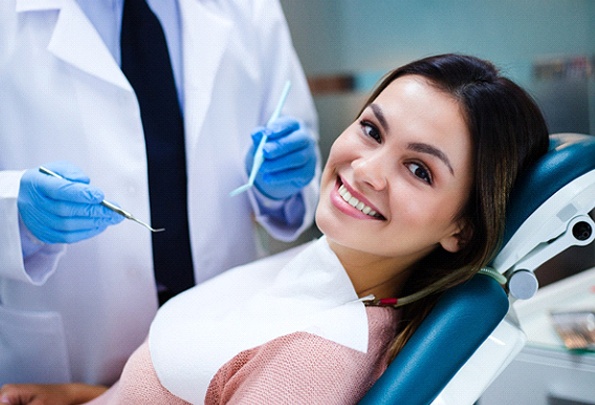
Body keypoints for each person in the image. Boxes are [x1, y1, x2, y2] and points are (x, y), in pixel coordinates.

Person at [0, 53, 549, 404]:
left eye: (419, 169)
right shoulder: (320, 267)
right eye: (371, 129)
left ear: (461, 229)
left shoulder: (317, 358)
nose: (365, 169)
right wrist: (81, 397)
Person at [0, 0, 319, 386]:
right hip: (72, 342)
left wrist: (279, 185)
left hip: (224, 321)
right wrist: (15, 212)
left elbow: (293, 130)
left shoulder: (249, 8)